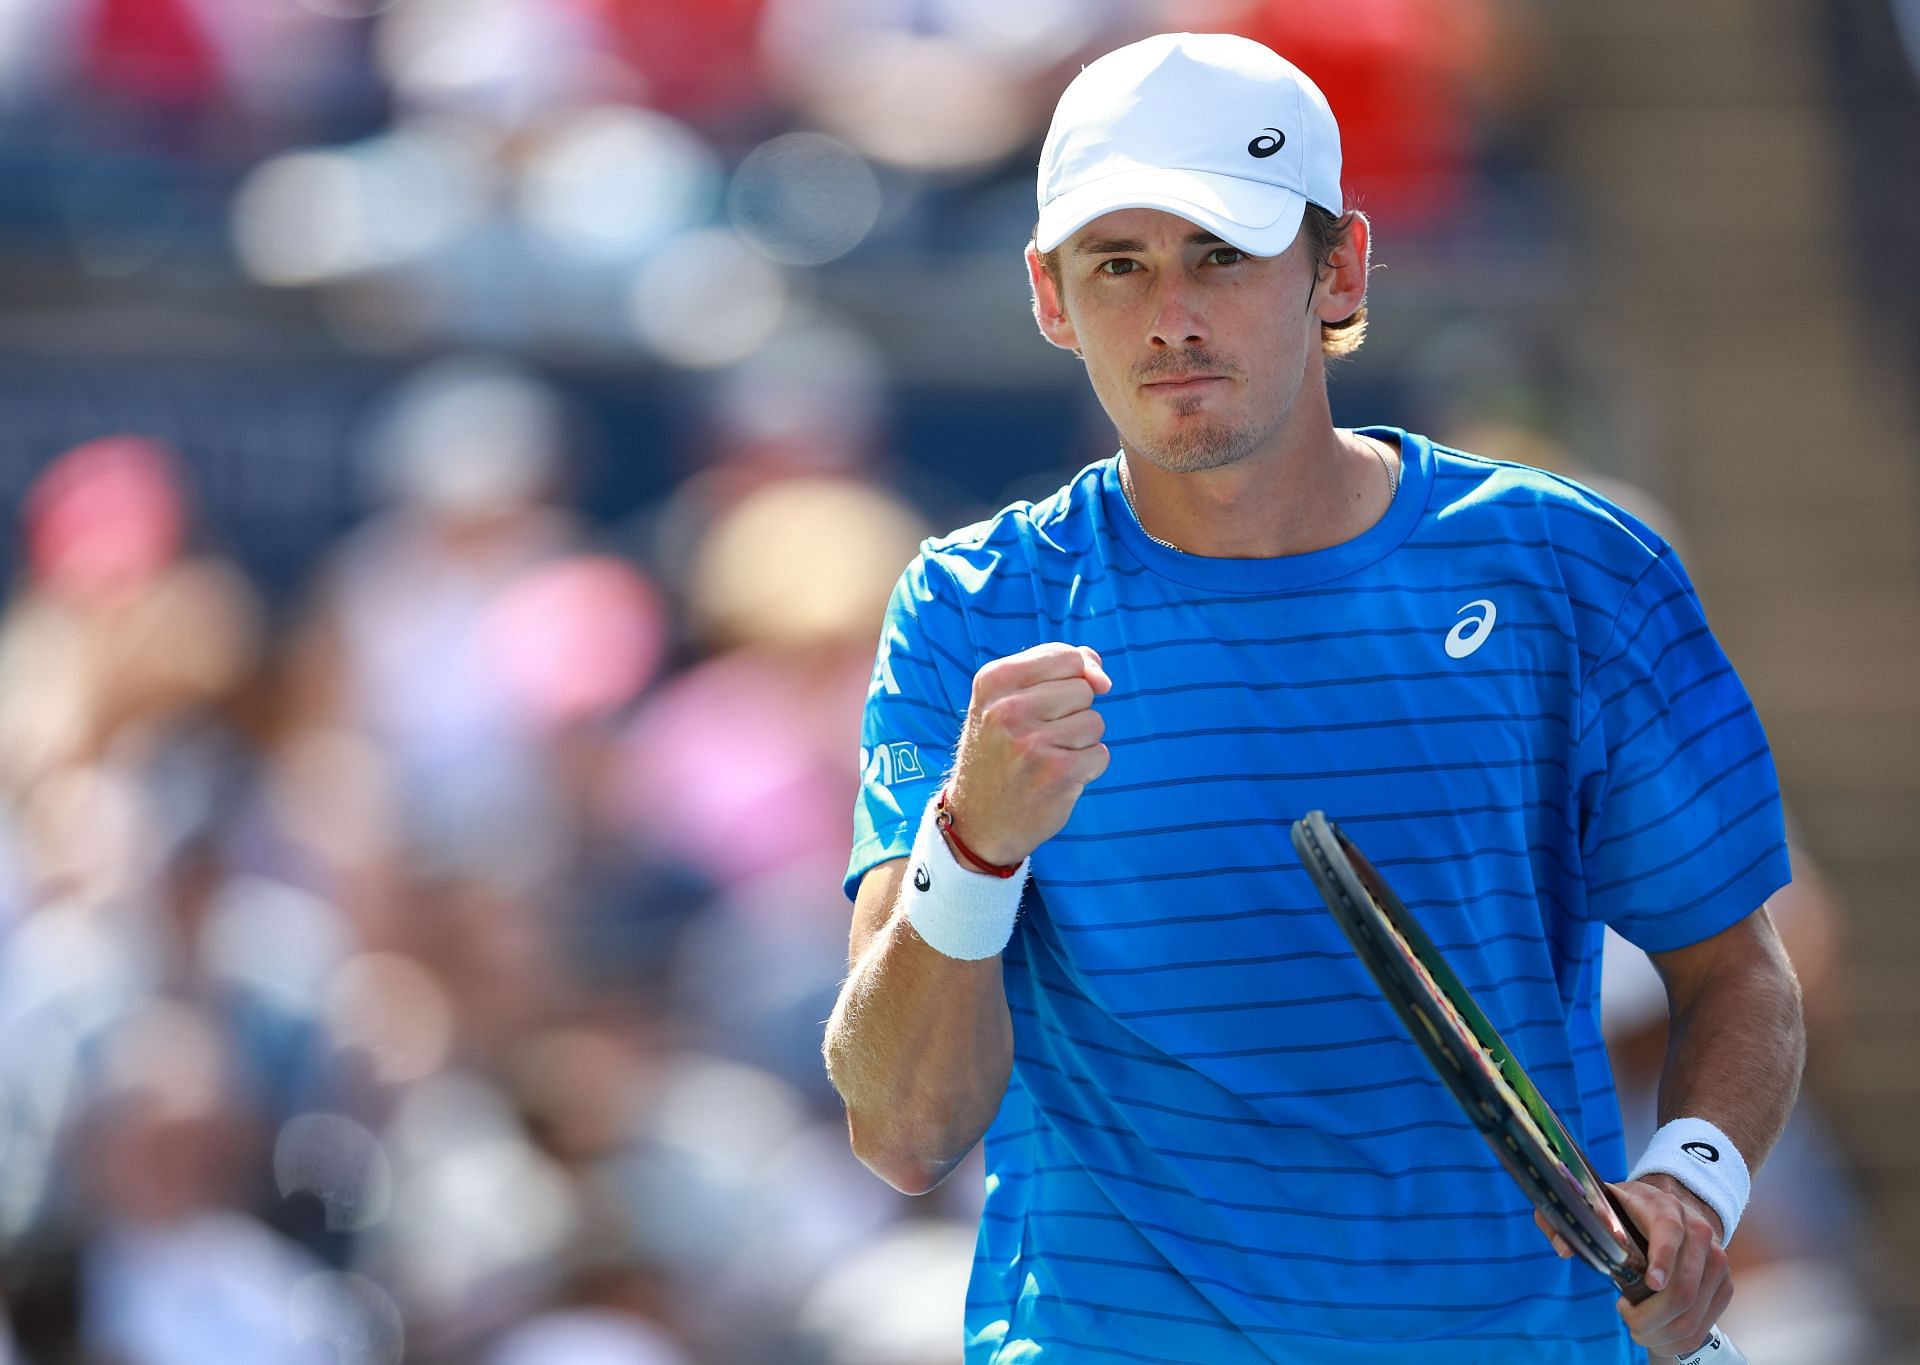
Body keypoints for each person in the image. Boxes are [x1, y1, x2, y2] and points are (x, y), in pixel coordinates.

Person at [823, 31, 1804, 1364]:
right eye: (1119, 264)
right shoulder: (969, 608)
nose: (1170, 315)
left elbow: (1740, 969)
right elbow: (900, 1128)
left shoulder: (1570, 567)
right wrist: (971, 842)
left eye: (1220, 254)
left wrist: (1693, 1185)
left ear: (1337, 267)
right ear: (1052, 297)